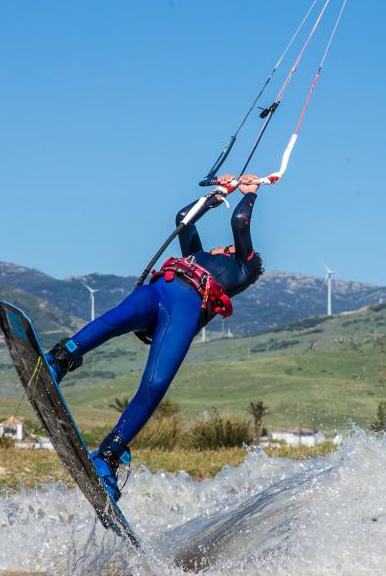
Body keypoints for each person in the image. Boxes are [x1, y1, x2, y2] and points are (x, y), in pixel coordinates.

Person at [44, 174, 265, 501]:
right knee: (114, 319)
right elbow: (183, 219)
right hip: (159, 293)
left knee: (156, 384)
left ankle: (108, 456)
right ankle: (60, 360)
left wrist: (248, 193)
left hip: (184, 309)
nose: (228, 247)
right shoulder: (196, 254)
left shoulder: (242, 269)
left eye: (234, 248)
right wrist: (216, 195)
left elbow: (241, 220)